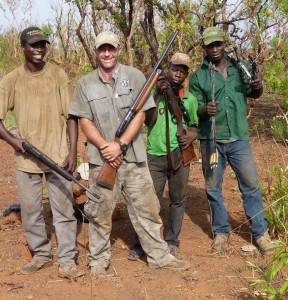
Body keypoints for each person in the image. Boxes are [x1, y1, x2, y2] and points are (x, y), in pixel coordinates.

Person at [68, 31, 190, 278]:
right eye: (102, 49)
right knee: (100, 212)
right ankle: (98, 261)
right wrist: (106, 146)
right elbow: (84, 119)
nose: (107, 53)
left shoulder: (135, 77)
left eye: (111, 48)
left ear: (118, 50)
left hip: (134, 158)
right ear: (96, 51)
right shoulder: (85, 83)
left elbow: (141, 114)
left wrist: (121, 145)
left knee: (148, 209)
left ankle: (159, 255)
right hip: (101, 159)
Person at [0, 27, 85, 279]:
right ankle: (41, 255)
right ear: (23, 47)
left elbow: (71, 116)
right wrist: (14, 141)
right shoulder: (11, 80)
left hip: (58, 158)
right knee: (30, 210)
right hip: (26, 160)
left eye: (42, 45)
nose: (39, 49)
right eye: (33, 45)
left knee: (64, 211)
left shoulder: (57, 75)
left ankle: (68, 260)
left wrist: (72, 152)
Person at [189, 26, 277, 254]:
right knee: (213, 189)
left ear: (224, 44)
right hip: (211, 140)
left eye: (218, 44)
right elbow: (193, 107)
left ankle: (260, 233)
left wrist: (258, 87)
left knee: (250, 187)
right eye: (210, 45)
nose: (215, 49)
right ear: (205, 48)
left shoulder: (241, 68)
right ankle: (221, 232)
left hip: (239, 138)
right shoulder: (198, 76)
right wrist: (203, 109)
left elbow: (254, 92)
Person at [128, 52, 198, 260]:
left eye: (183, 70)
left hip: (179, 155)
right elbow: (147, 122)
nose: (178, 73)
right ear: (168, 69)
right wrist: (158, 93)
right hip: (155, 155)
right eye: (175, 68)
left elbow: (194, 126)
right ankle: (142, 242)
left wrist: (190, 137)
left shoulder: (190, 99)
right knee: (150, 200)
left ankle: (172, 241)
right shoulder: (152, 94)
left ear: (186, 74)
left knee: (178, 199)